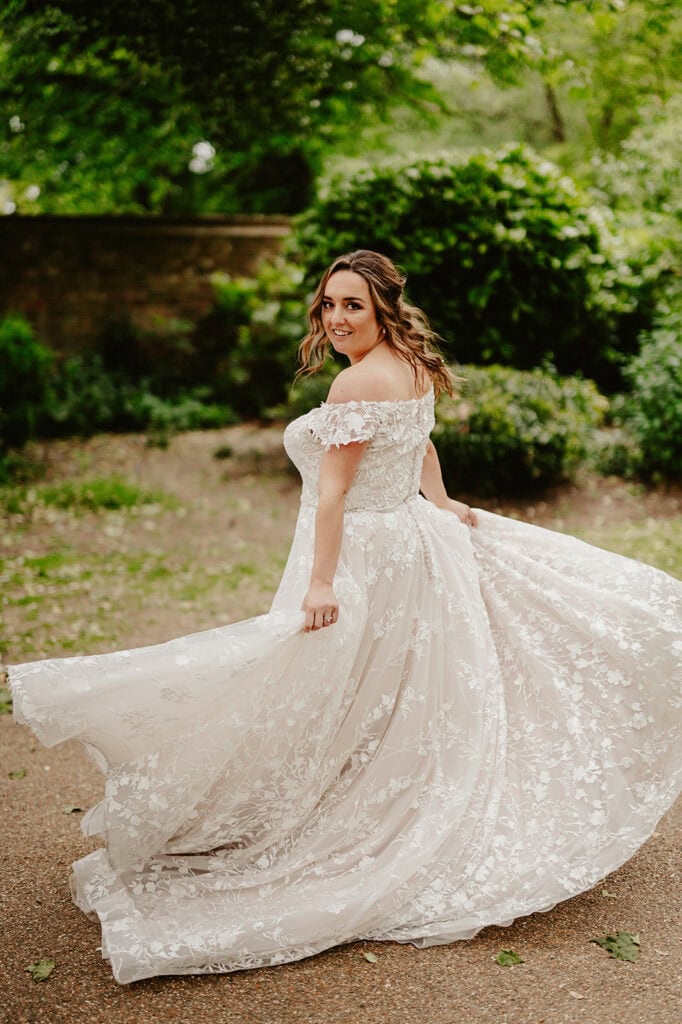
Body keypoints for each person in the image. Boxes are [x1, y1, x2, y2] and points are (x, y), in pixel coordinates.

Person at [8, 250, 682, 986]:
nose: (335, 318)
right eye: (328, 305)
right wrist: (438, 503)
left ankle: (329, 806)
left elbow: (334, 493)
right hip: (407, 542)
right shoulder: (411, 364)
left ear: (384, 306)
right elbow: (419, 441)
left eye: (352, 305)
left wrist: (323, 580)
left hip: (361, 548)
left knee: (318, 677)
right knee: (377, 683)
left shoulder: (356, 381)